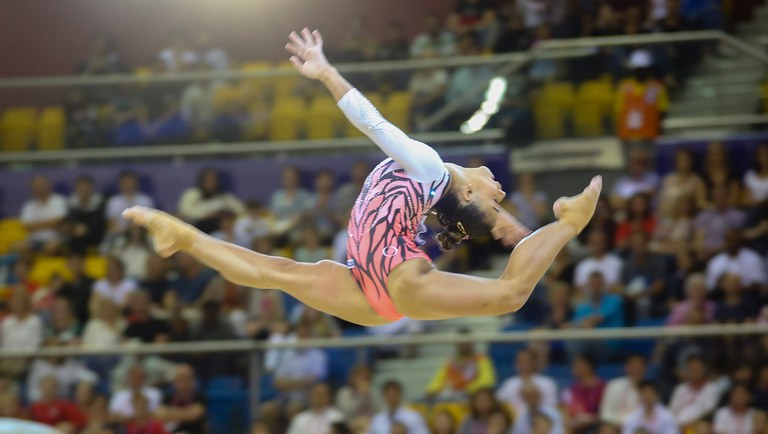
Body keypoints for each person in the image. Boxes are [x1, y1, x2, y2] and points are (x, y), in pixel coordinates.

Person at [123, 28, 602, 327]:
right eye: (501, 198)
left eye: (499, 199)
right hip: (369, 289)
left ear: (471, 193)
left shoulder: (431, 170)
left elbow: (374, 123)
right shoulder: (438, 180)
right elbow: (479, 214)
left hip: (391, 279)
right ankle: (181, 235)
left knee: (510, 294)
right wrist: (507, 225)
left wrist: (327, 73)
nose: (502, 191)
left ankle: (571, 223)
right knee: (274, 272)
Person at [426, 328, 496, 402]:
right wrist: (431, 390)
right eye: (461, 342)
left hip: (472, 398)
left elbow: (487, 382)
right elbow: (437, 380)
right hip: (451, 398)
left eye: (466, 342)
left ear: (472, 342)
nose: (463, 345)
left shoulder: (482, 360)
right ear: (456, 343)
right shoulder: (450, 362)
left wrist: (467, 390)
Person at [178, 168, 245, 233]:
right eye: (208, 180)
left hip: (220, 231)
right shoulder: (192, 194)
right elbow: (185, 212)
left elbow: (240, 210)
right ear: (202, 181)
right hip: (198, 228)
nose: (211, 182)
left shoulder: (224, 196)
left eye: (213, 180)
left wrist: (223, 215)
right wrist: (206, 215)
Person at [496, 349, 558, 416]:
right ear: (515, 363)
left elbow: (552, 407)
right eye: (521, 361)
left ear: (534, 363)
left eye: (527, 361)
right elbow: (498, 403)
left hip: (541, 420)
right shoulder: (509, 384)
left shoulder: (547, 383)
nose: (524, 364)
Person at [668, 355, 721, 428]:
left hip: (695, 426)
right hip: (677, 426)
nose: (694, 371)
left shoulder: (711, 389)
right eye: (691, 368)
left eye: (697, 368)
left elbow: (708, 413)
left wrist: (689, 423)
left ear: (704, 369)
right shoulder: (680, 388)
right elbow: (672, 410)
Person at [20, 175, 68, 253]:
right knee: (16, 247)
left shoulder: (59, 201)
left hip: (55, 239)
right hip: (33, 241)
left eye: (42, 185)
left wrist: (36, 225)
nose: (40, 189)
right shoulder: (28, 206)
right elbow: (27, 226)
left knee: (51, 248)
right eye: (36, 186)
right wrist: (52, 224)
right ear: (32, 189)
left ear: (49, 186)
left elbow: (60, 221)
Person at [155, 364, 206, 434]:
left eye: (187, 379)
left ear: (193, 381)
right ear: (175, 381)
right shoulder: (167, 397)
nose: (184, 383)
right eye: (181, 379)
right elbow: (159, 415)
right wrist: (185, 413)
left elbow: (193, 415)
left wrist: (169, 413)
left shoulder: (199, 397)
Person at [601, 355, 647, 428]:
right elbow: (605, 413)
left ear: (645, 369)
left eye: (639, 367)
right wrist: (623, 423)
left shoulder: (650, 389)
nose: (636, 370)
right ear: (626, 368)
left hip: (640, 428)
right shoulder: (614, 385)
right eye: (633, 367)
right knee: (607, 429)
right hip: (616, 425)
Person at [66, 175, 106, 254]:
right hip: (77, 233)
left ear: (92, 188)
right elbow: (71, 219)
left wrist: (87, 229)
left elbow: (99, 221)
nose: (84, 190)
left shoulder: (99, 201)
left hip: (95, 234)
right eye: (81, 187)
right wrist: (76, 227)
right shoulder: (72, 202)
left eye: (86, 187)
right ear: (76, 189)